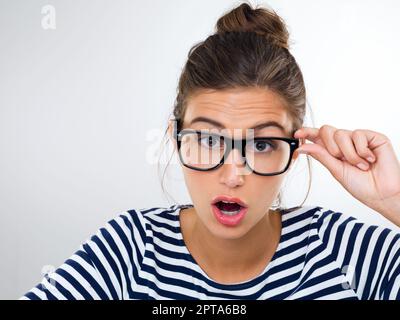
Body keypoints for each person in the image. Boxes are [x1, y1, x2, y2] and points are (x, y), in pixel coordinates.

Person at [21, 2, 400, 300]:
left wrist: (394, 202)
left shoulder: (345, 252)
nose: (233, 174)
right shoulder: (130, 249)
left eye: (262, 144)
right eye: (208, 140)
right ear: (176, 139)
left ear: (295, 150)